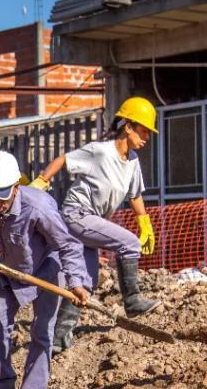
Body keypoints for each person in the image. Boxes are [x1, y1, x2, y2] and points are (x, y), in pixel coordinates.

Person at [29, 96, 161, 354]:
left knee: (86, 280)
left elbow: (135, 195)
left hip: (91, 221)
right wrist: (42, 181)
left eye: (148, 132)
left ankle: (58, 336)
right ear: (128, 126)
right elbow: (64, 160)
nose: (146, 137)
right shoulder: (100, 151)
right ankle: (132, 301)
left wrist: (145, 222)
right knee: (128, 243)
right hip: (76, 214)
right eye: (143, 130)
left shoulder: (133, 162)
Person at [0, 151, 91, 389]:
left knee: (42, 331)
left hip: (47, 269)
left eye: (2, 195)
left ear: (16, 186)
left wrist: (76, 282)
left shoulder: (38, 207)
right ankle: (0, 384)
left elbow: (68, 245)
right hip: (9, 270)